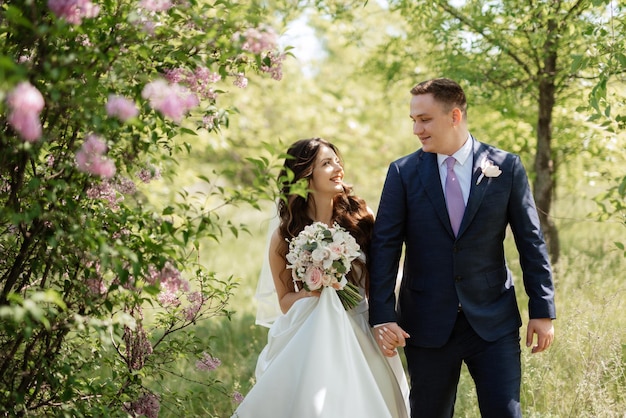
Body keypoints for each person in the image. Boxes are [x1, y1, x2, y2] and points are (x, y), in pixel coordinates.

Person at [368, 78, 556, 418]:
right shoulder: (403, 172)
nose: (417, 129)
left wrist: (542, 311)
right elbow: (385, 247)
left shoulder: (507, 166)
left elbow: (531, 241)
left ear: (454, 116)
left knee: (505, 412)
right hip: (425, 323)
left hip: (493, 320)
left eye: (424, 119)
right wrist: (382, 315)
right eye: (413, 120)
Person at [233, 138, 410, 418]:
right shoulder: (286, 233)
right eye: (326, 163)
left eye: (337, 161)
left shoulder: (361, 220)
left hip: (359, 328)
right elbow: (284, 300)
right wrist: (317, 289)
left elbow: (377, 283)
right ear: (306, 175)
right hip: (310, 333)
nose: (337, 168)